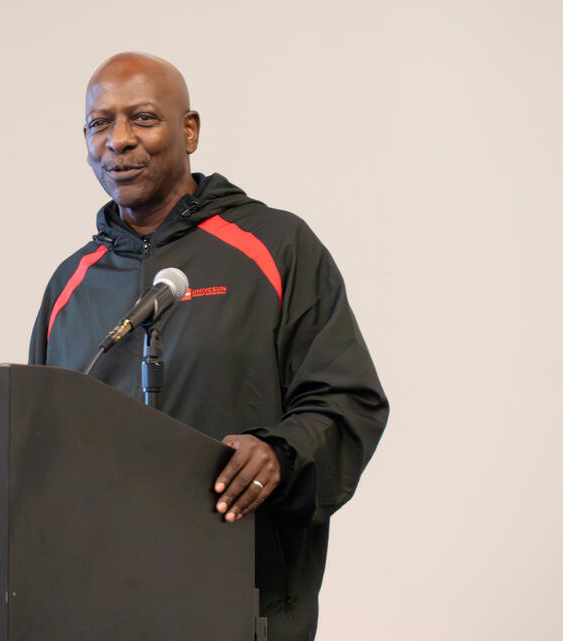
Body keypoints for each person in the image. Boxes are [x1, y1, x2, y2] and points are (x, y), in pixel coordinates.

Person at [28, 52, 389, 640]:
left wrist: (280, 452)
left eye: (142, 118)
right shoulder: (71, 283)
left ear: (189, 130)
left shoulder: (276, 246)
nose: (118, 141)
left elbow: (349, 399)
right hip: (100, 604)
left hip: (242, 596)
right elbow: (38, 444)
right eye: (100, 123)